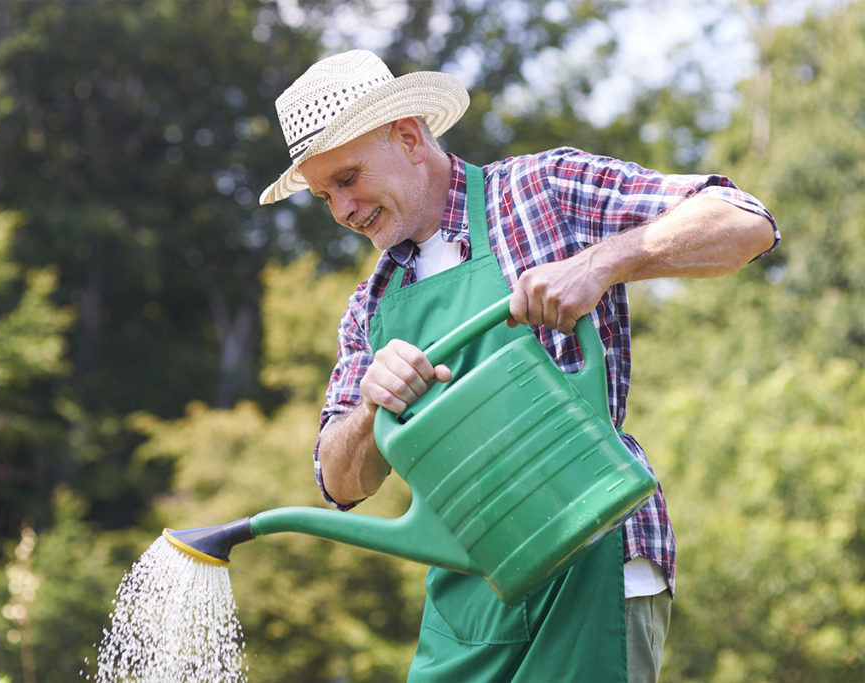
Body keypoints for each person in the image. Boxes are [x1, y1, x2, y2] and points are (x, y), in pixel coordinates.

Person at [258, 50, 778, 682]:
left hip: (589, 560)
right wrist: (371, 408)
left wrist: (601, 263)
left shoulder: (542, 191)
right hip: (469, 599)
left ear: (409, 136)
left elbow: (744, 222)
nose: (341, 209)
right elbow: (339, 484)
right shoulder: (371, 305)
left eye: (347, 178)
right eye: (323, 195)